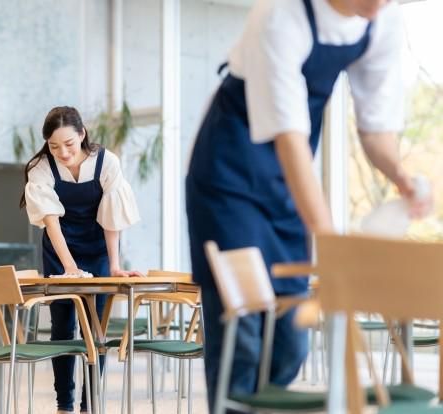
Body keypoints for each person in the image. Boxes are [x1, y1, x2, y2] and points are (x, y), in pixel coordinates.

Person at [185, 0, 433, 412]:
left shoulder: (382, 20)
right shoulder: (280, 15)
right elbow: (289, 141)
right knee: (242, 334)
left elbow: (375, 130)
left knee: (291, 342)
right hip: (228, 177)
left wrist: (400, 176)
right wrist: (335, 251)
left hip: (286, 183)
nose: (381, 4)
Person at [20, 106, 141, 414]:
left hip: (97, 247)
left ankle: (90, 405)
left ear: (82, 134)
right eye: (54, 146)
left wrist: (114, 266)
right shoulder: (41, 167)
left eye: (69, 144)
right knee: (62, 327)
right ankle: (64, 403)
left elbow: (111, 219)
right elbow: (51, 223)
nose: (62, 152)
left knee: (95, 329)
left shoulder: (106, 162)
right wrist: (69, 267)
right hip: (60, 250)